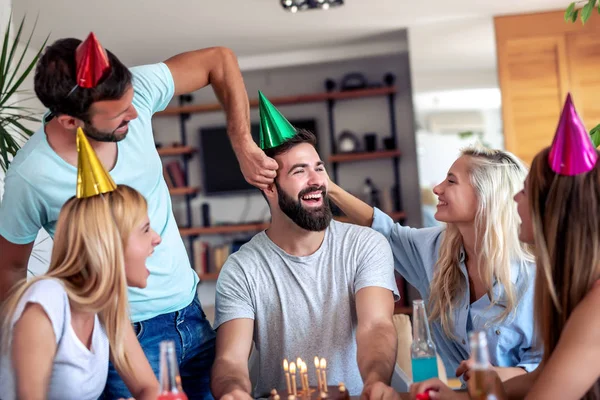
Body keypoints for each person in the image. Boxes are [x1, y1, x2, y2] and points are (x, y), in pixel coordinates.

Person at [0, 33, 277, 399]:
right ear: (70, 122)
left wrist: (243, 143)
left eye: (131, 101)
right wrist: (36, 334)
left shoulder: (135, 93)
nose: (135, 113)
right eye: (118, 114)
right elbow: (9, 269)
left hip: (190, 313)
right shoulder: (31, 176)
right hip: (119, 333)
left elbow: (219, 58)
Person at [210, 93, 400, 400]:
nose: (316, 180)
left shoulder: (366, 245)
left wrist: (375, 381)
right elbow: (230, 360)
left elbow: (376, 325)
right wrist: (232, 390)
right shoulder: (242, 267)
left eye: (319, 168)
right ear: (269, 187)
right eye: (300, 171)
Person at [410, 94, 600, 400]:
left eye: (524, 191)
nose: (513, 200)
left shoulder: (596, 305)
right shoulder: (572, 287)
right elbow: (537, 379)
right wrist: (458, 397)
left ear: (553, 209)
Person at [327, 146, 540, 382]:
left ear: (485, 195)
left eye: (451, 181)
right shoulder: (437, 249)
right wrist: (330, 188)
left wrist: (496, 375)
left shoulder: (535, 278)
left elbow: (548, 369)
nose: (437, 188)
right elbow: (384, 231)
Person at [0, 129, 160, 400]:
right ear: (108, 244)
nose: (156, 238)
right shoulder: (44, 305)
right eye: (144, 229)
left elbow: (150, 389)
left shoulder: (106, 304)